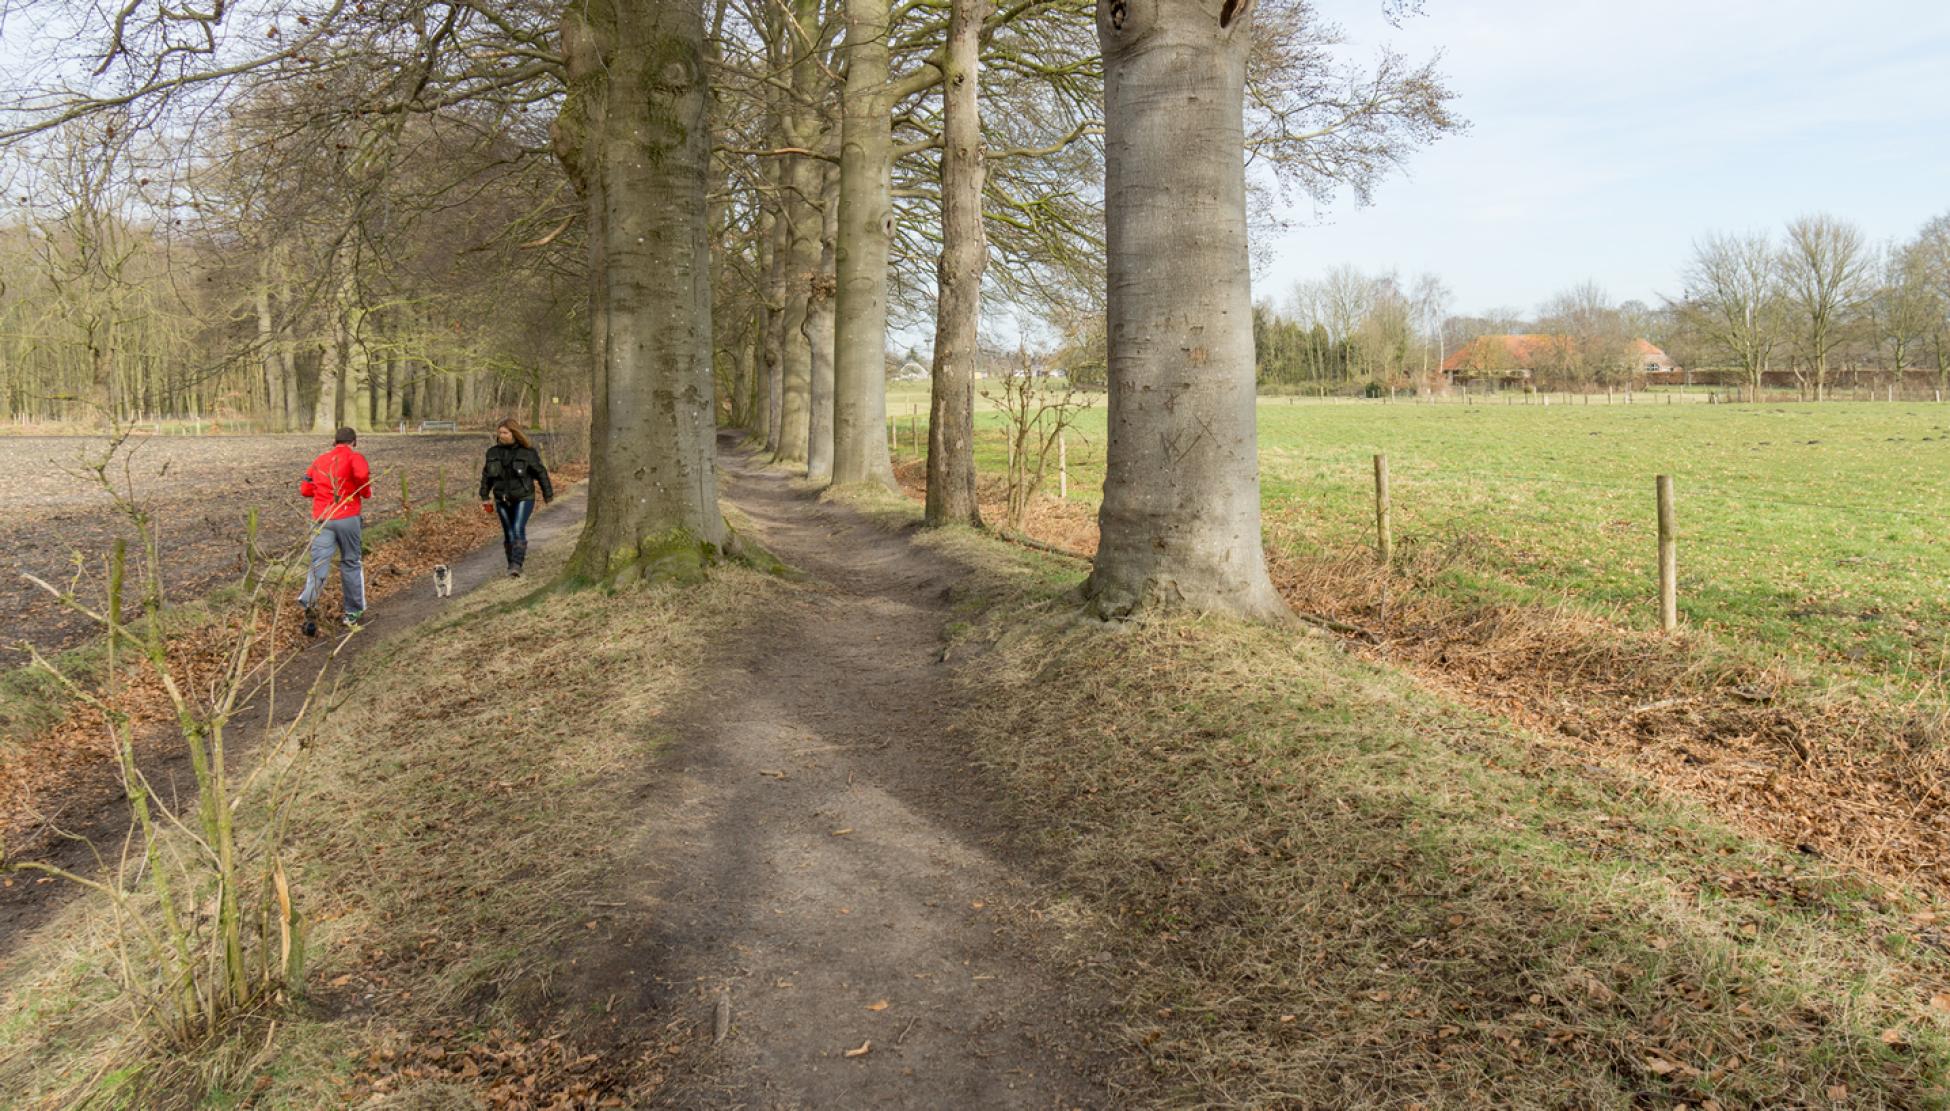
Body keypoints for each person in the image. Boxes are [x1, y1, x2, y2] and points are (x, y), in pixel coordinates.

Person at [298, 426, 374, 635]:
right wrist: (364, 491)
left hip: (322, 519)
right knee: (350, 561)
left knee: (318, 564)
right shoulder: (354, 457)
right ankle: (353, 612)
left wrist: (324, 493)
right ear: (354, 442)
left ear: (334, 442)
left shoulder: (320, 460)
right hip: (347, 516)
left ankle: (309, 602)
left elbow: (305, 489)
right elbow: (362, 477)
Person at [479, 418, 553, 577]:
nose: (501, 435)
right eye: (499, 433)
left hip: (523, 496)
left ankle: (516, 565)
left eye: (505, 432)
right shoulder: (492, 453)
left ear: (514, 433)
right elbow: (487, 477)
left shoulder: (527, 453)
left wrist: (548, 494)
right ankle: (511, 565)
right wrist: (484, 496)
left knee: (517, 527)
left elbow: (541, 473)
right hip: (501, 498)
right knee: (508, 532)